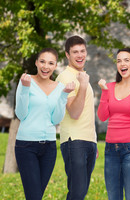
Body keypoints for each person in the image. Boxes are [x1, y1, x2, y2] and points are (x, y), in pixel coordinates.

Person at [15, 48, 75, 200]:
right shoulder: (26, 81)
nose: (45, 67)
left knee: (36, 196)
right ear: (36, 62)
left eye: (50, 63)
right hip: (26, 146)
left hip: (49, 147)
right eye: (42, 61)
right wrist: (25, 89)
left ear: (55, 66)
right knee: (34, 196)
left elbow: (56, 120)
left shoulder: (60, 88)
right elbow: (21, 114)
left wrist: (64, 95)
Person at [97, 47, 130, 200]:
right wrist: (105, 92)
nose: (122, 64)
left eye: (126, 60)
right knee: (113, 197)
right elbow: (102, 116)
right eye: (119, 61)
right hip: (111, 149)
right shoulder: (111, 87)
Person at [56, 35, 98, 200]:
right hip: (74, 141)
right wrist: (83, 86)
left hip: (88, 141)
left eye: (82, 51)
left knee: (80, 193)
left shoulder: (82, 76)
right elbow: (74, 112)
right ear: (67, 55)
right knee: (77, 193)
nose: (80, 55)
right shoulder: (65, 78)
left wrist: (93, 141)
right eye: (75, 52)